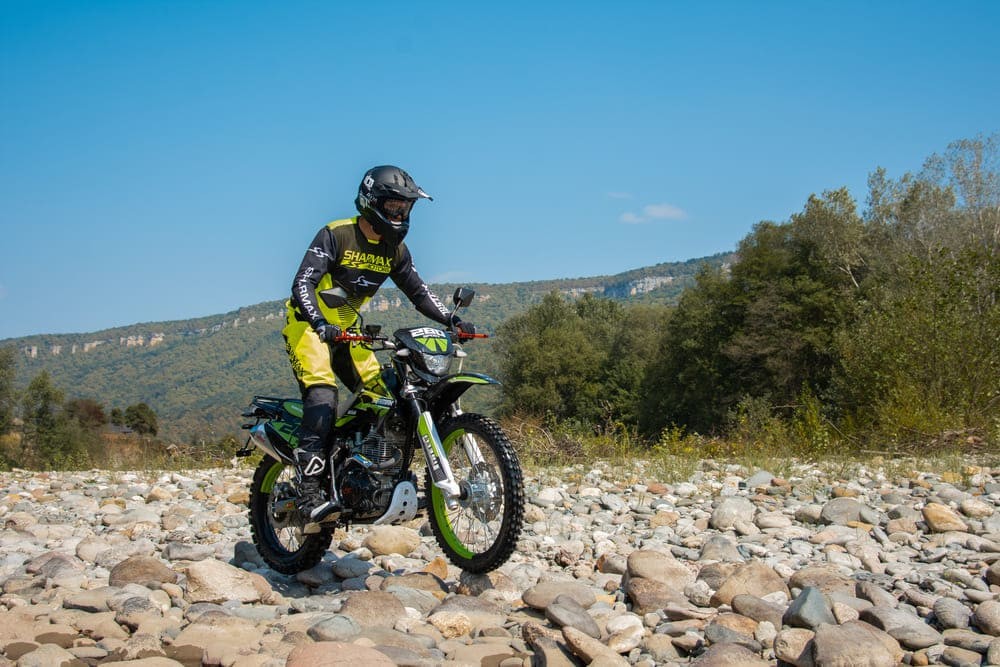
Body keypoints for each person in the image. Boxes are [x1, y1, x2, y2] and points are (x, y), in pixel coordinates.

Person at [282, 165, 473, 522]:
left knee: (385, 398)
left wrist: (452, 320)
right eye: (394, 207)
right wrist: (320, 323)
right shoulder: (336, 234)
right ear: (372, 202)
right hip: (309, 327)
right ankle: (308, 494)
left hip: (351, 333)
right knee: (323, 398)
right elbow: (302, 283)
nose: (400, 215)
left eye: (406, 208)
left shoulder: (394, 250)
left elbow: (418, 291)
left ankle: (368, 476)